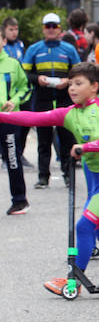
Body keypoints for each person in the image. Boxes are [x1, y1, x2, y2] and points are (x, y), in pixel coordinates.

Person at [0, 62, 99, 296]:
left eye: (78, 83)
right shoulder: (69, 113)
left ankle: (74, 281)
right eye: (70, 83)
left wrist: (85, 147)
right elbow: (32, 118)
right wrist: (2, 116)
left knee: (84, 226)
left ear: (94, 86)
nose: (72, 88)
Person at [22, 12, 81, 189]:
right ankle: (43, 177)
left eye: (54, 26)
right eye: (47, 26)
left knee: (66, 139)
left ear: (59, 29)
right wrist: (37, 79)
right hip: (42, 99)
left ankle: (68, 175)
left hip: (64, 99)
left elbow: (78, 72)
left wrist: (68, 81)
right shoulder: (34, 49)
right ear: (43, 29)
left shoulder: (69, 49)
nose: (51, 30)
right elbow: (25, 74)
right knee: (43, 140)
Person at [0, 29, 29, 214]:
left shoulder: (13, 63)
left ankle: (19, 200)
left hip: (9, 119)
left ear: (4, 41)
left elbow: (25, 87)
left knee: (12, 158)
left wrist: (14, 101)